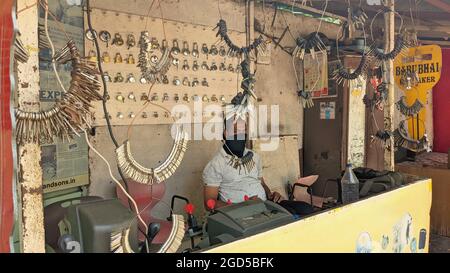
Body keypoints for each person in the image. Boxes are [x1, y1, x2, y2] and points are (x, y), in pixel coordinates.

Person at [202, 116, 283, 210]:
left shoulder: (254, 156)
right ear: (226, 134)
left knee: (302, 209)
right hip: (238, 214)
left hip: (265, 206)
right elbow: (209, 203)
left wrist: (271, 195)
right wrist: (243, 206)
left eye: (243, 131)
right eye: (236, 131)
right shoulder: (215, 165)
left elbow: (262, 184)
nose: (241, 135)